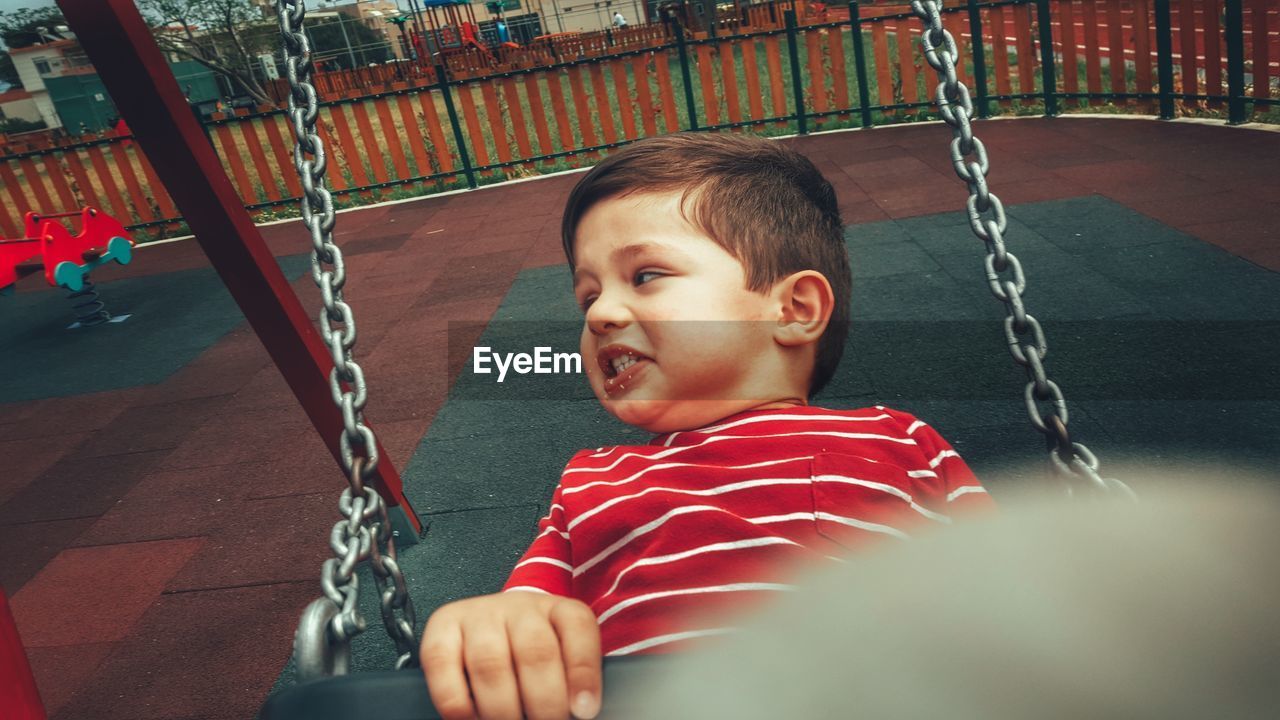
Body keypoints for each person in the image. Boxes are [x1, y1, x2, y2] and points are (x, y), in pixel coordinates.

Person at [420, 132, 995, 720]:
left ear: (794, 309)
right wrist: (493, 625)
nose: (600, 314)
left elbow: (1015, 583)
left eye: (645, 276)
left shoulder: (898, 440)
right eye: (587, 296)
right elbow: (527, 615)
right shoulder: (591, 483)